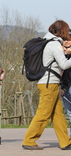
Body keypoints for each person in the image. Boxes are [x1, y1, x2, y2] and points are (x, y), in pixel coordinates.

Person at [22, 20, 71, 150]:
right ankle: (29, 140)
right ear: (62, 31)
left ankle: (65, 141)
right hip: (49, 84)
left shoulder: (47, 42)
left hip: (48, 83)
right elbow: (64, 65)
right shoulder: (54, 45)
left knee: (57, 114)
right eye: (67, 30)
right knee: (43, 114)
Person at [60, 40, 71, 136]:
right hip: (66, 87)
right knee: (69, 113)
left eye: (69, 39)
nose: (67, 41)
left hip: (67, 86)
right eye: (65, 39)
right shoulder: (60, 53)